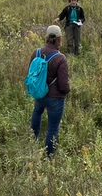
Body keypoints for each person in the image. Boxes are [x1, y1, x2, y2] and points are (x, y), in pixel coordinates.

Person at [30, 25, 71, 157]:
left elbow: (32, 74)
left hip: (39, 94)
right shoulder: (61, 59)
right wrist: (66, 92)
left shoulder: (36, 53)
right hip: (55, 99)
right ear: (59, 39)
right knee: (53, 127)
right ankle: (49, 156)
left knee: (37, 113)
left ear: (46, 37)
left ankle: (33, 140)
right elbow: (63, 86)